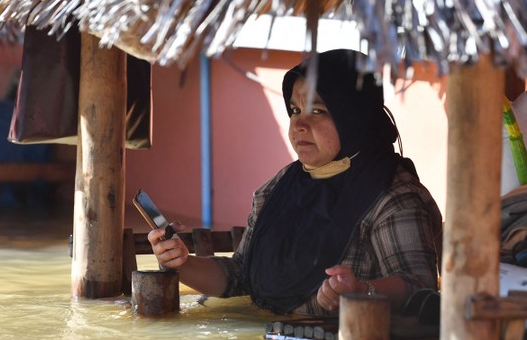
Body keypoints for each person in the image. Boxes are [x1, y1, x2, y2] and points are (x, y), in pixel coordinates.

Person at [148, 49, 442, 315]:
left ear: (353, 117)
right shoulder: (279, 188)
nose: (299, 125)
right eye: (295, 110)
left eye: (318, 111)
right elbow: (240, 275)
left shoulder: (391, 197)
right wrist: (182, 263)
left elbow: (419, 287)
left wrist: (360, 291)